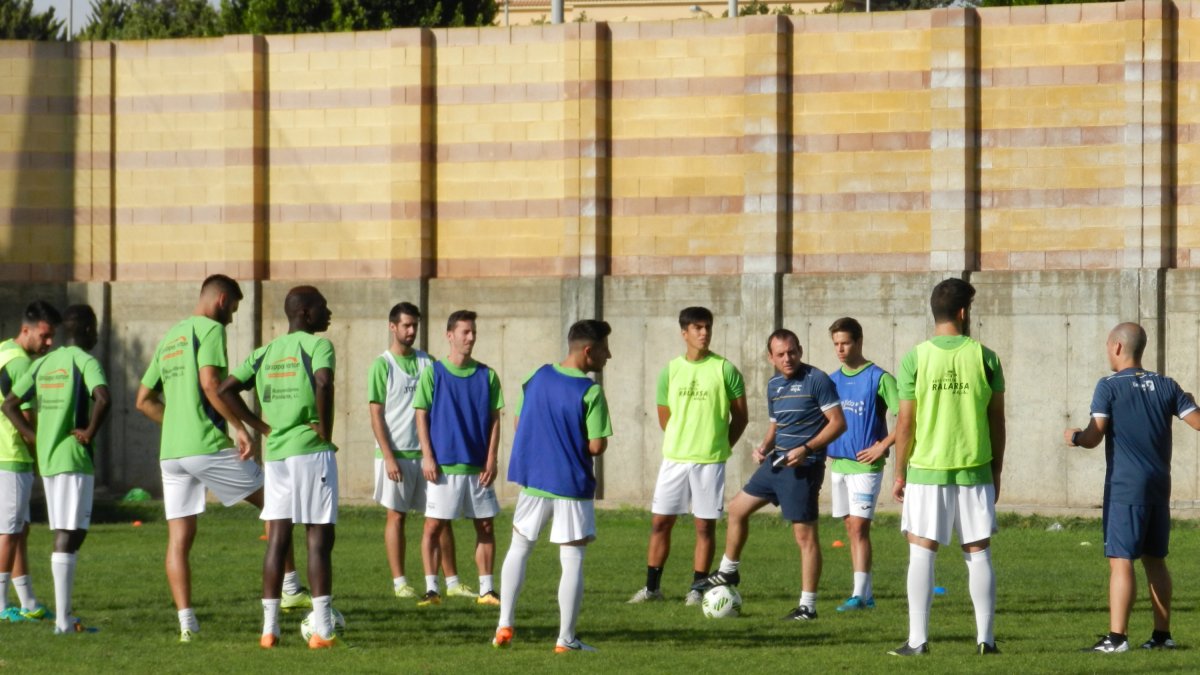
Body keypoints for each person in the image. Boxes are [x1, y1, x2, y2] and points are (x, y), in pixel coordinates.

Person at [135, 275, 310, 643]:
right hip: (206, 445)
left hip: (172, 453)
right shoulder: (211, 330)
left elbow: (143, 400)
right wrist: (240, 427)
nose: (232, 317)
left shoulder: (171, 337)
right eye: (233, 308)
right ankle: (291, 588)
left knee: (179, 539)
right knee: (277, 502)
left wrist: (178, 421)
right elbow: (211, 383)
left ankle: (187, 624)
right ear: (221, 300)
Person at [1064, 322, 1200, 653]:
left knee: (1121, 559)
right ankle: (1162, 636)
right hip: (1159, 485)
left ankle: (1117, 638)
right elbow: (1197, 421)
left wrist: (1076, 437)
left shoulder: (1109, 386)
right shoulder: (1167, 384)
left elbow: (1095, 435)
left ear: (1118, 347)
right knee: (1155, 559)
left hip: (1125, 487)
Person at [217, 286, 341, 649]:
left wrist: (262, 428)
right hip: (310, 452)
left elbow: (226, 389)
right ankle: (323, 631)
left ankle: (269, 630)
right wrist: (325, 430)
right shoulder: (319, 346)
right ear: (305, 312)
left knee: (278, 539)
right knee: (318, 538)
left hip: (277, 457)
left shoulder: (265, 352)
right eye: (323, 306)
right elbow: (323, 382)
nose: (328, 312)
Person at [888, 278, 1005, 657]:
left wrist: (899, 472)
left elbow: (906, 422)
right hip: (976, 468)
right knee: (978, 552)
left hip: (926, 469)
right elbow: (997, 420)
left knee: (922, 552)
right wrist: (996, 470)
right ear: (964, 312)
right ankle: (986, 640)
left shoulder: (915, 358)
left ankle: (918, 640)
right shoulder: (986, 357)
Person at [693, 329, 845, 621]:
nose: (788, 358)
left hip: (803, 467)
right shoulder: (774, 385)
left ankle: (807, 607)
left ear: (800, 351)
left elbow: (838, 424)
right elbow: (777, 425)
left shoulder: (817, 380)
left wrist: (807, 448)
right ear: (770, 357)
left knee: (805, 537)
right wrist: (764, 447)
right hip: (776, 463)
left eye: (792, 352)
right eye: (781, 354)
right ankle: (728, 571)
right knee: (737, 509)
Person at [492, 319, 613, 653]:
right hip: (571, 484)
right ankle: (566, 639)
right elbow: (596, 445)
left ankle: (504, 623)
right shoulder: (590, 391)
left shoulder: (537, 376)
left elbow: (520, 422)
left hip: (534, 481)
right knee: (572, 558)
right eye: (605, 349)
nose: (609, 356)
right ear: (588, 351)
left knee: (519, 548)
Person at [1, 304, 109, 635]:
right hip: (72, 457)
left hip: (48, 460)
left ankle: (56, 614)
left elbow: (9, 404)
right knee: (69, 533)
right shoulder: (84, 360)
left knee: (65, 531)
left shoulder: (43, 363)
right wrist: (89, 432)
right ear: (88, 330)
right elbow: (103, 398)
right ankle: (62, 620)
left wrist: (37, 437)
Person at [629, 307, 748, 606]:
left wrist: (720, 445)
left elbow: (741, 417)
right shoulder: (670, 371)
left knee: (704, 527)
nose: (704, 333)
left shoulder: (725, 369)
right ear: (684, 333)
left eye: (707, 327)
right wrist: (682, 439)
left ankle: (697, 589)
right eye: (697, 328)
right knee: (660, 523)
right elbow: (664, 418)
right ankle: (652, 589)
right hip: (674, 459)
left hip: (709, 461)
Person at [367, 301, 459, 599]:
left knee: (441, 516)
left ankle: (453, 582)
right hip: (396, 455)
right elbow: (376, 415)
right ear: (392, 327)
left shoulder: (427, 362)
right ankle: (400, 583)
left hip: (427, 455)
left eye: (415, 325)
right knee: (397, 516)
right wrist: (389, 456)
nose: (411, 331)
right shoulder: (382, 364)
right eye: (406, 325)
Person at [414, 310, 503, 607]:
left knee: (486, 526)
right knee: (433, 526)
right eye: (465, 332)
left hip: (478, 467)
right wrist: (427, 456)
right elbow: (421, 415)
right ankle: (432, 590)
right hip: (443, 466)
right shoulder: (433, 373)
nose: (471, 337)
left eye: (473, 331)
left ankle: (487, 590)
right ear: (449, 335)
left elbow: (495, 419)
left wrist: (491, 458)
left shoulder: (488, 375)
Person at [826, 317, 898, 612]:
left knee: (859, 528)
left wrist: (882, 445)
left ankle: (858, 595)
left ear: (859, 342)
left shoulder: (879, 378)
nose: (840, 349)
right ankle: (866, 596)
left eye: (845, 343)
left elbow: (908, 418)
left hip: (866, 468)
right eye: (836, 344)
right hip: (839, 466)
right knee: (850, 527)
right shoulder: (832, 380)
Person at [0, 301, 60, 623]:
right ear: (27, 330)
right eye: (44, 336)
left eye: (52, 337)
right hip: (10, 456)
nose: (49, 343)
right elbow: (25, 417)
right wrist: (42, 445)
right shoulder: (22, 365)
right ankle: (1, 606)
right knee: (9, 532)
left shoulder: (3, 351)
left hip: (6, 455)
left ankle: (28, 602)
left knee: (19, 530)